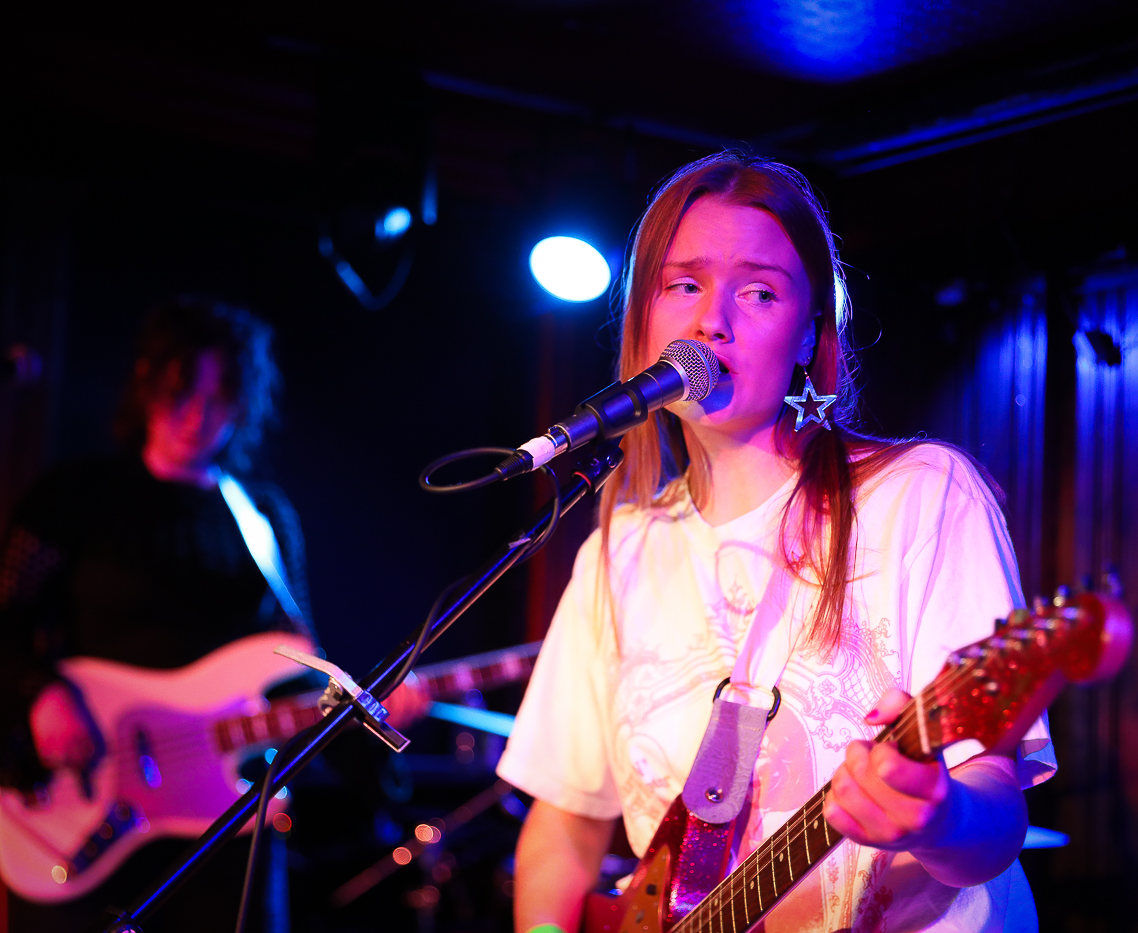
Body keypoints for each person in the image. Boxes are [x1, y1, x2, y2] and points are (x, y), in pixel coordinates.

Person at [497, 152, 1056, 932]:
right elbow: (563, 825)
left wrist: (937, 819)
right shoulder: (619, 551)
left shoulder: (921, 495)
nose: (711, 320)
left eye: (758, 292)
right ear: (646, 319)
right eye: (684, 284)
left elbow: (994, 819)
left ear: (808, 336)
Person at [0, 299, 424, 932]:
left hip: (225, 819)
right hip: (85, 798)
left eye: (219, 399)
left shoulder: (263, 516)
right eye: (182, 393)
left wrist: (367, 717)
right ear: (147, 385)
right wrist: (42, 695)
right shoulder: (74, 495)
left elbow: (299, 666)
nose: (198, 416)